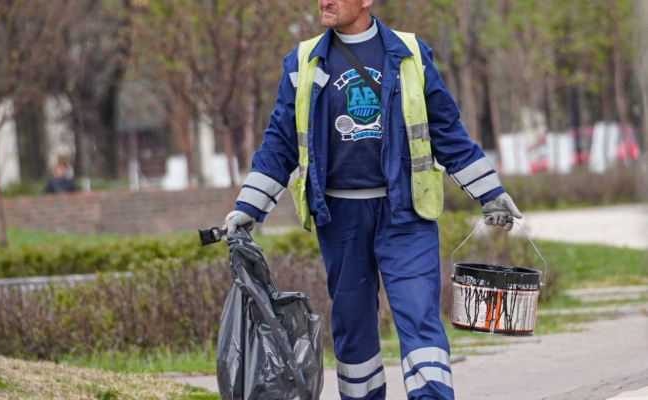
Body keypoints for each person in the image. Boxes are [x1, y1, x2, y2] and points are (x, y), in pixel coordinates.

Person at [222, 1, 523, 399]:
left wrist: (491, 194)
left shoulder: (411, 54)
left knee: (419, 317)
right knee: (353, 328)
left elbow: (447, 132)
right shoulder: (303, 61)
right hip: (340, 217)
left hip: (405, 213)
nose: (323, 2)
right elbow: (279, 144)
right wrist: (247, 209)